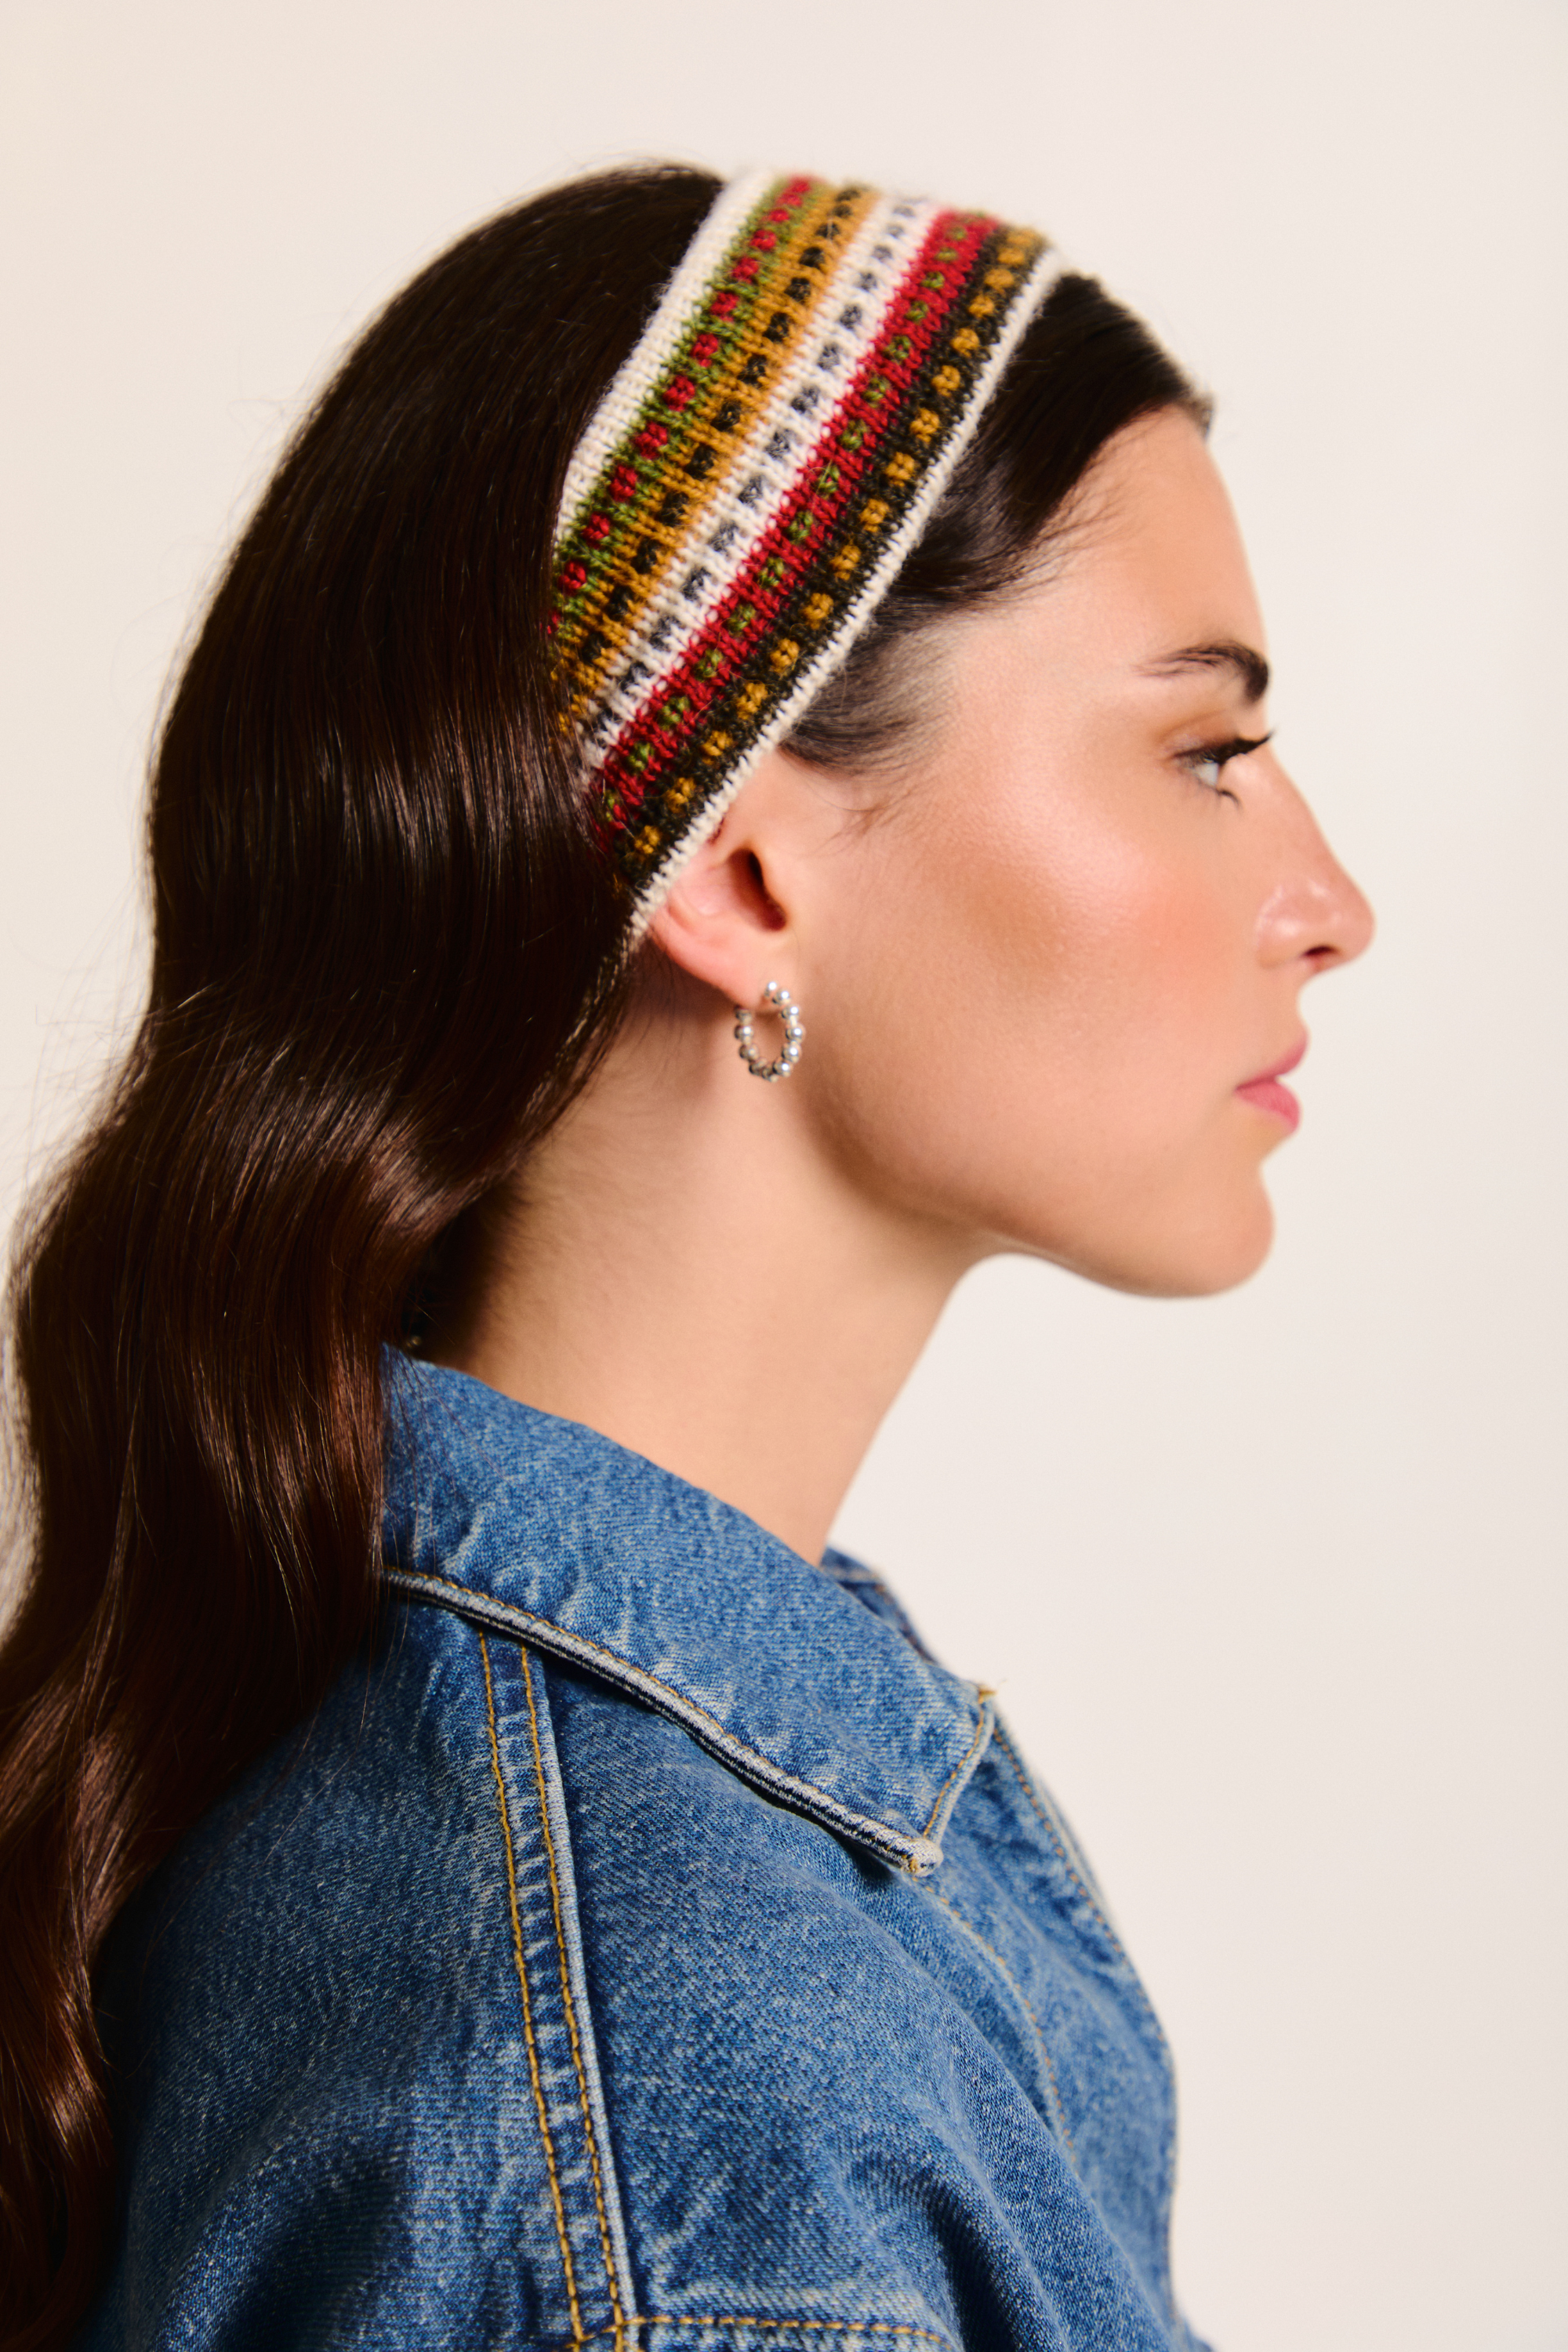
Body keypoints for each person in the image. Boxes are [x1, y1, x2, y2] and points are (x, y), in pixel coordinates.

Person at [0, 165, 1372, 2350]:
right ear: (740, 877)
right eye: (1206, 752)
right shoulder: (660, 2102)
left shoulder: (566, 1847)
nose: (1331, 906)